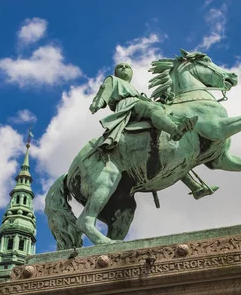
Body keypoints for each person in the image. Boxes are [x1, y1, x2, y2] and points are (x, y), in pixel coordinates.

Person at [89, 62, 218, 199]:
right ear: (115, 73)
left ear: (132, 73)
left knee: (168, 142)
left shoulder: (133, 89)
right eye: (120, 67)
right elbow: (104, 90)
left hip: (137, 105)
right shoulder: (113, 80)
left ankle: (195, 187)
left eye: (127, 67)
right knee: (154, 110)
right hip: (128, 106)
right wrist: (98, 103)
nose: (124, 68)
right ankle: (175, 130)